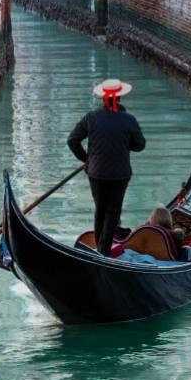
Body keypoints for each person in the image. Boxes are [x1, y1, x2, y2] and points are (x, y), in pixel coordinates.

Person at [67, 78, 146, 256]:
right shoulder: (128, 119)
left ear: (103, 99)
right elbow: (140, 145)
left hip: (96, 172)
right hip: (120, 174)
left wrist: (86, 159)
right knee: (113, 212)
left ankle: (99, 248)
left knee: (100, 210)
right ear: (118, 98)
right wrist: (125, 143)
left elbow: (72, 140)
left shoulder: (91, 118)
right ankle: (103, 252)